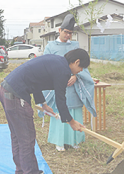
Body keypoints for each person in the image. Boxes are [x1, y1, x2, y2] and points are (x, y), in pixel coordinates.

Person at [0, 48, 90, 174]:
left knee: (18, 136)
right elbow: (61, 99)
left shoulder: (56, 61)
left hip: (6, 90)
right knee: (26, 138)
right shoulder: (64, 70)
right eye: (81, 67)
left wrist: (44, 103)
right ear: (76, 62)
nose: (80, 71)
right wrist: (71, 122)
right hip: (16, 95)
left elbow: (34, 81)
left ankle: (22, 171)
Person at [43, 14, 96, 151]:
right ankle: (59, 141)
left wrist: (76, 76)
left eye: (70, 33)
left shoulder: (76, 46)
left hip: (74, 86)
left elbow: (82, 66)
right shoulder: (50, 46)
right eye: (66, 32)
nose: (68, 35)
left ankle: (74, 140)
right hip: (58, 85)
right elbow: (46, 66)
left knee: (75, 111)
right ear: (60, 30)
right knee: (59, 110)